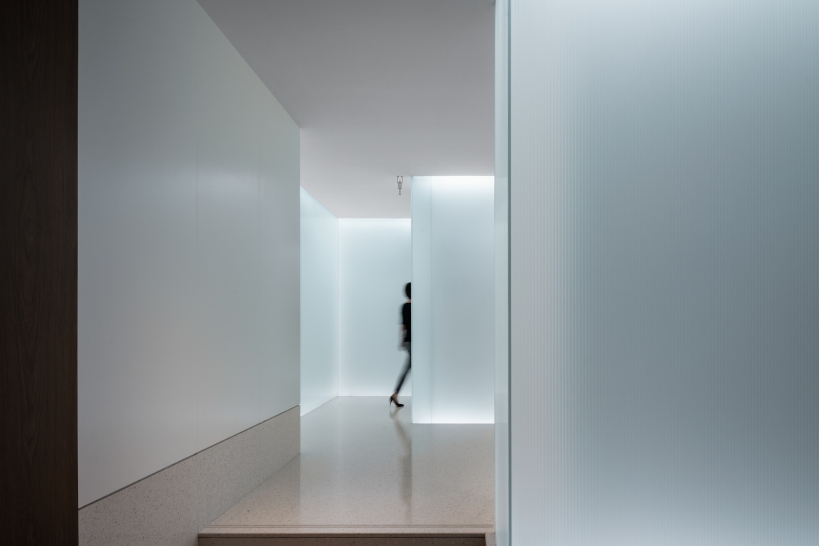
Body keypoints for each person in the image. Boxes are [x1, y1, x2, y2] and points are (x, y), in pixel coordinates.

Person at [390, 283, 411, 408]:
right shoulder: (416, 306)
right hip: (414, 342)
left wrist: (401, 340)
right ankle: (396, 393)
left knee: (408, 368)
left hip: (408, 341)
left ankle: (395, 394)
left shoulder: (404, 307)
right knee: (412, 368)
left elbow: (403, 325)